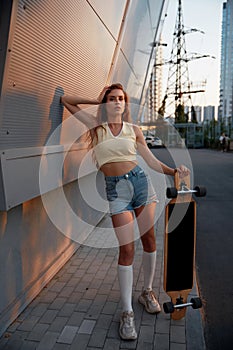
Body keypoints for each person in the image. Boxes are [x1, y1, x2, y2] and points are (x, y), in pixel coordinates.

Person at [61, 83, 189, 340]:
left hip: (142, 185)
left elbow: (151, 160)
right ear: (106, 102)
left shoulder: (134, 130)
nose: (117, 102)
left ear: (125, 103)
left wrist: (174, 172)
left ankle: (147, 292)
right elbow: (66, 100)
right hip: (117, 192)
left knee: (149, 241)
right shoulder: (96, 127)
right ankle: (127, 313)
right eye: (112, 98)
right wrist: (96, 100)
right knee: (127, 249)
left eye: (121, 98)